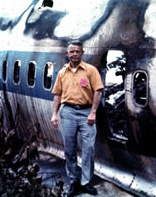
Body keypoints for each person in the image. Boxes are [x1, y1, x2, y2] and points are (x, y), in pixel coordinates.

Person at [51, 40, 103, 197]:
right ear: (67, 54)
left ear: (82, 53)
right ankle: (73, 181)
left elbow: (98, 91)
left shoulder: (91, 70)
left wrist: (93, 112)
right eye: (71, 52)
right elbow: (57, 95)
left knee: (88, 149)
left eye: (77, 51)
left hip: (86, 113)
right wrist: (55, 113)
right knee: (69, 149)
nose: (74, 54)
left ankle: (86, 182)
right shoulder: (62, 73)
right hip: (68, 113)